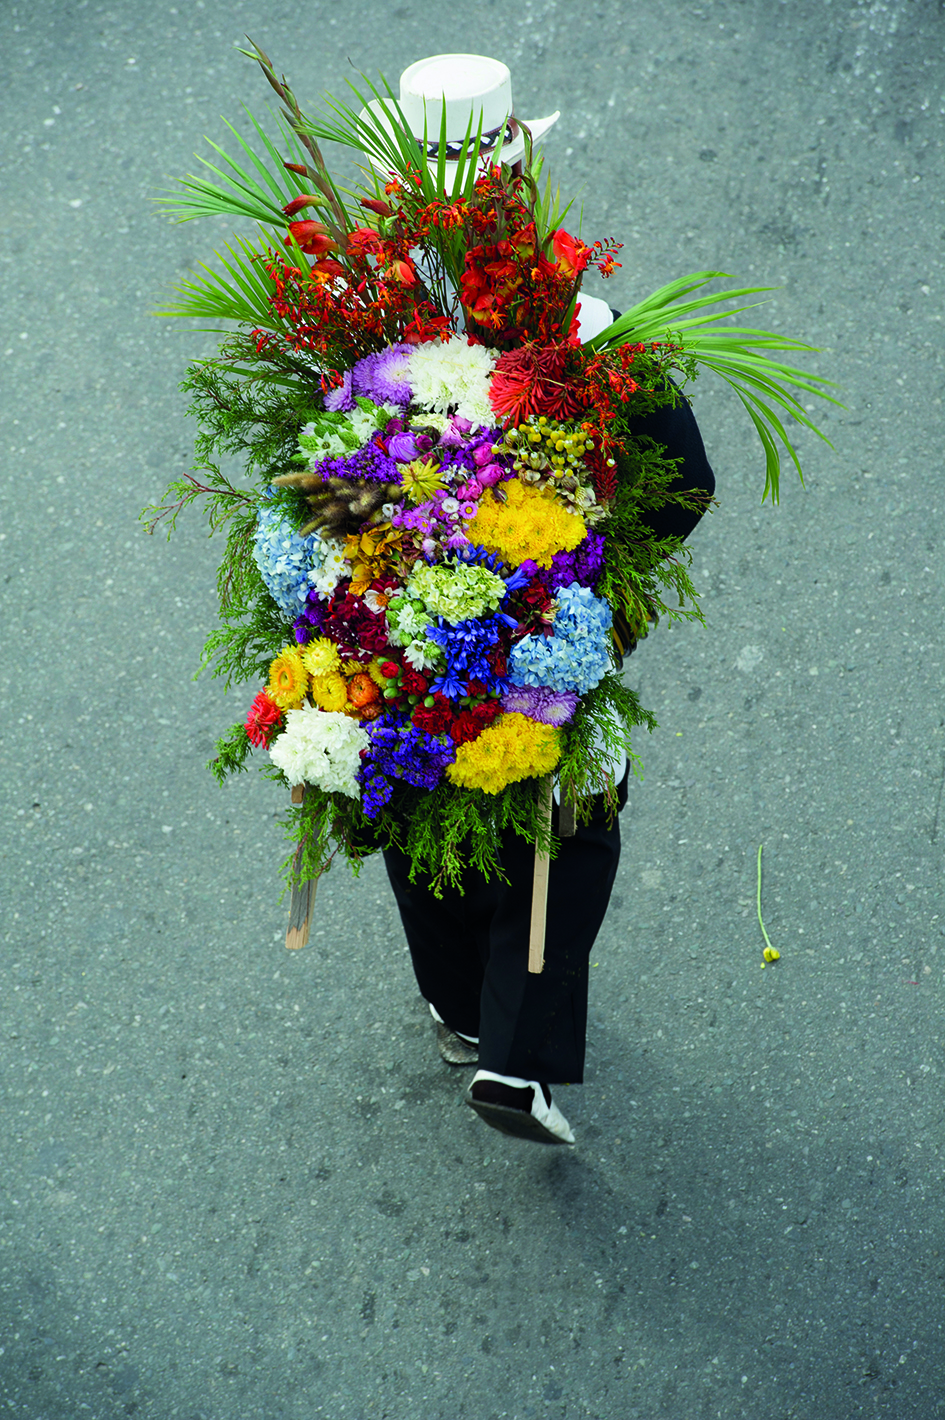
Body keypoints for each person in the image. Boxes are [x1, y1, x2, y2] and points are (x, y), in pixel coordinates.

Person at [367, 55, 715, 1145]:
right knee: (570, 821)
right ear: (516, 182)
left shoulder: (362, 328)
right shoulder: (584, 328)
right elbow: (684, 479)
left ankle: (459, 1010)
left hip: (404, 628)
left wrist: (387, 568)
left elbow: (322, 474)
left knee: (416, 791)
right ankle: (516, 1059)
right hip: (542, 632)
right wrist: (590, 584)